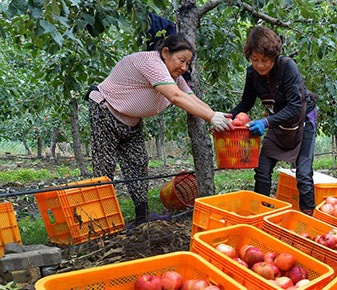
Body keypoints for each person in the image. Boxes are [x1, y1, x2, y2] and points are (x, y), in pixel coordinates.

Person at [86, 34, 232, 226]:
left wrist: (214, 113)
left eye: (188, 64)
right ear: (165, 53)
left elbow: (189, 97)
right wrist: (211, 117)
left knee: (138, 163)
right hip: (106, 109)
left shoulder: (174, 78)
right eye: (181, 60)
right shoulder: (151, 62)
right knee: (104, 165)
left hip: (132, 121)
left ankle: (141, 215)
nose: (184, 68)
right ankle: (99, 223)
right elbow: (175, 97)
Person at [229, 26, 318, 214]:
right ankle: (260, 214)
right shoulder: (252, 74)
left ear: (274, 56)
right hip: (278, 122)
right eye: (255, 60)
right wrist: (228, 119)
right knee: (262, 171)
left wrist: (265, 122)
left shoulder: (287, 67)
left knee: (303, 174)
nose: (260, 65)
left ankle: (309, 217)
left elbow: (295, 107)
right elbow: (246, 103)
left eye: (265, 60)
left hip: (302, 121)